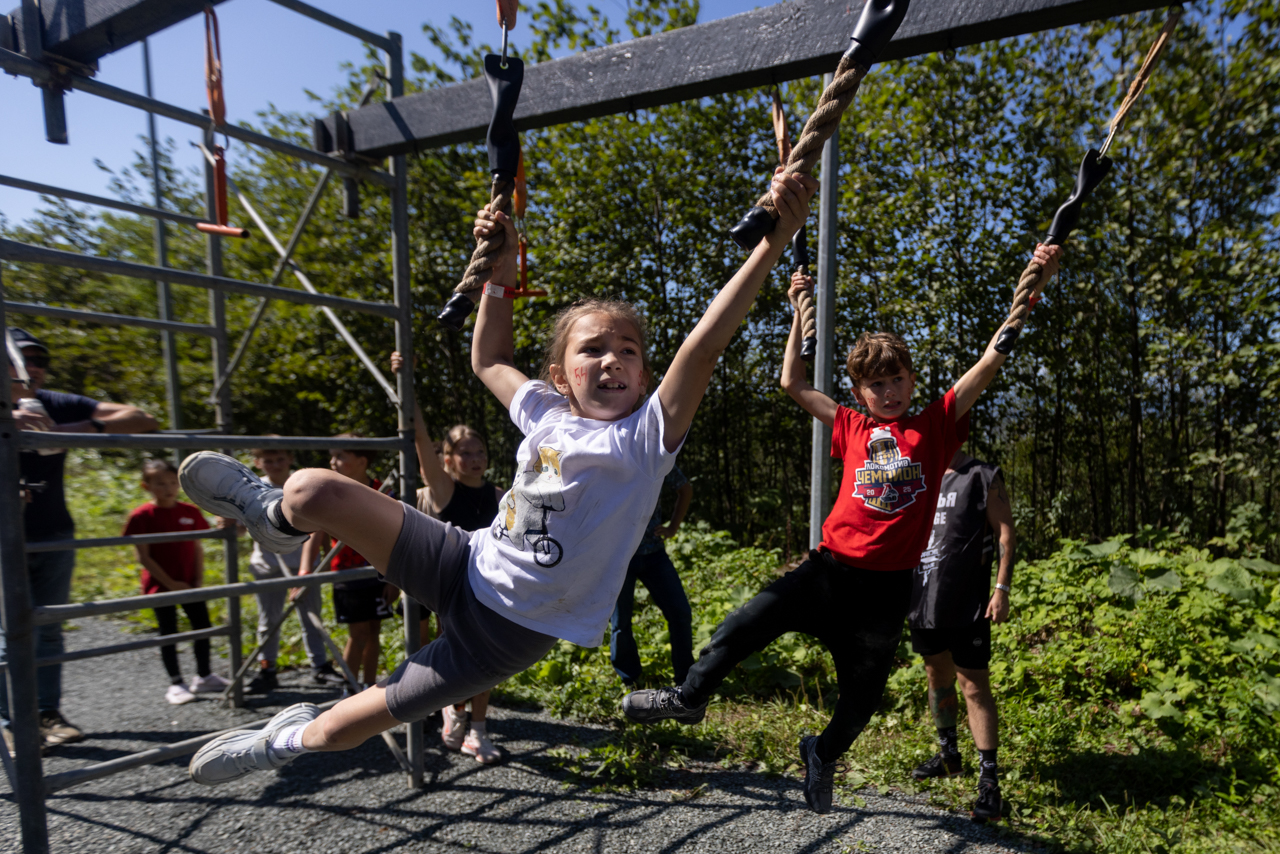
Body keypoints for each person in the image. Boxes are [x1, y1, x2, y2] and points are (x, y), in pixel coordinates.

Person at [178, 167, 818, 787]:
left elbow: (702, 347)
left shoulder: (645, 440)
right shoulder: (545, 412)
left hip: (506, 634)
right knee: (310, 489)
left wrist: (772, 244)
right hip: (461, 559)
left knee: (339, 729)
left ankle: (277, 742)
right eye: (593, 349)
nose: (613, 360)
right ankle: (272, 517)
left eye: (628, 351)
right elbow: (488, 358)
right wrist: (501, 272)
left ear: (645, 376)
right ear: (560, 377)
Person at [623, 248, 1061, 816]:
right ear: (860, 393)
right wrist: (797, 311)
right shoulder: (851, 425)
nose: (889, 391)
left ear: (911, 380)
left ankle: (822, 753)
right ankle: (688, 697)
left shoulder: (934, 426)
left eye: (897, 379)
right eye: (877, 384)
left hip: (886, 591)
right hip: (827, 573)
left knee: (860, 704)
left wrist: (1034, 287)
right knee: (742, 625)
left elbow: (988, 362)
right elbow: (792, 381)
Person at [2, 327, 157, 757]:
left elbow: (142, 418)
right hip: (3, 536)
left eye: (39, 360)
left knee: (49, 629)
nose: (32, 368)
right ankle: (10, 724)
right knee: (6, 633)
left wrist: (70, 430)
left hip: (53, 531)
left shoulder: (52, 403)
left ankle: (46, 714)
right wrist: (9, 425)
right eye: (20, 360)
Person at [393, 348, 505, 764]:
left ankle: (478, 730)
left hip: (488, 588)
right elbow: (419, 438)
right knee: (457, 658)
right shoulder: (443, 489)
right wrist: (406, 385)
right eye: (465, 453)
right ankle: (453, 711)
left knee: (489, 659)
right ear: (448, 460)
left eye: (479, 452)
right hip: (449, 588)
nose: (474, 459)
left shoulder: (499, 495)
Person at [907, 435, 1016, 823]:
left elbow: (1006, 533)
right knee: (936, 673)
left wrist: (1001, 589)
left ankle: (989, 782)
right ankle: (949, 756)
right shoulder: (915, 476)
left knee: (973, 684)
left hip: (968, 601)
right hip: (922, 598)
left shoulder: (982, 476)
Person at [241, 442, 344, 694]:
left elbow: (319, 522)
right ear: (258, 463)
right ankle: (267, 669)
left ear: (289, 458)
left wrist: (318, 561)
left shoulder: (301, 483)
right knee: (268, 620)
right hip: (268, 564)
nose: (275, 465)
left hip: (303, 563)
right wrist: (227, 522)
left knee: (311, 617)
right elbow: (239, 523)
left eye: (280, 459)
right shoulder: (252, 488)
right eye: (268, 461)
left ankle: (319, 666)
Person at [296, 438, 398, 694]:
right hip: (347, 573)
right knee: (358, 632)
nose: (333, 462)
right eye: (332, 456)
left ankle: (369, 687)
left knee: (373, 630)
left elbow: (395, 534)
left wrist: (393, 579)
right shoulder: (330, 492)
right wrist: (304, 572)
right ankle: (349, 688)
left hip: (378, 572)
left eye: (341, 456)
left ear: (362, 461)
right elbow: (315, 534)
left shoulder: (382, 491)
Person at [124, 459, 230, 704]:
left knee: (202, 626)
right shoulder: (141, 516)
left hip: (190, 583)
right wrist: (171, 584)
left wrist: (198, 579)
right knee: (168, 632)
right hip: (160, 586)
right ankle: (176, 683)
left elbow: (197, 547)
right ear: (146, 486)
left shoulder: (190, 511)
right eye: (160, 483)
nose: (168, 488)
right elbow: (143, 556)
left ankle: (204, 675)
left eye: (173, 482)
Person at [609, 464, 693, 687]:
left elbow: (685, 489)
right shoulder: (610, 458)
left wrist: (672, 528)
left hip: (654, 553)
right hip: (619, 556)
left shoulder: (656, 457)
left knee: (680, 612)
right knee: (620, 623)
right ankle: (631, 681)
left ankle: (686, 681)